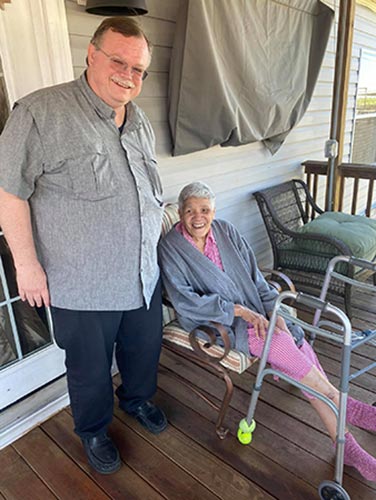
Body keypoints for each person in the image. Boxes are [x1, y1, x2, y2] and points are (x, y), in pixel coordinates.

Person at [0, 17, 167, 474]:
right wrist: (26, 264)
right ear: (91, 54)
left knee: (143, 349)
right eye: (118, 61)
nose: (128, 75)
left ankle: (136, 400)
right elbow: (8, 191)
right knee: (90, 369)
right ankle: (93, 430)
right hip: (83, 280)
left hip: (142, 272)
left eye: (138, 69)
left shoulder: (140, 120)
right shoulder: (40, 113)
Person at [158, 181, 376, 482]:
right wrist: (238, 311)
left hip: (255, 312)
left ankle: (346, 440)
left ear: (213, 211)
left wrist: (274, 310)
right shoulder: (171, 247)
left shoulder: (226, 231)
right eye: (190, 210)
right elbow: (185, 301)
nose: (198, 217)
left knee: (299, 348)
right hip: (218, 323)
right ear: (181, 213)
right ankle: (346, 410)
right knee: (294, 357)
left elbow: (256, 278)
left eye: (205, 210)